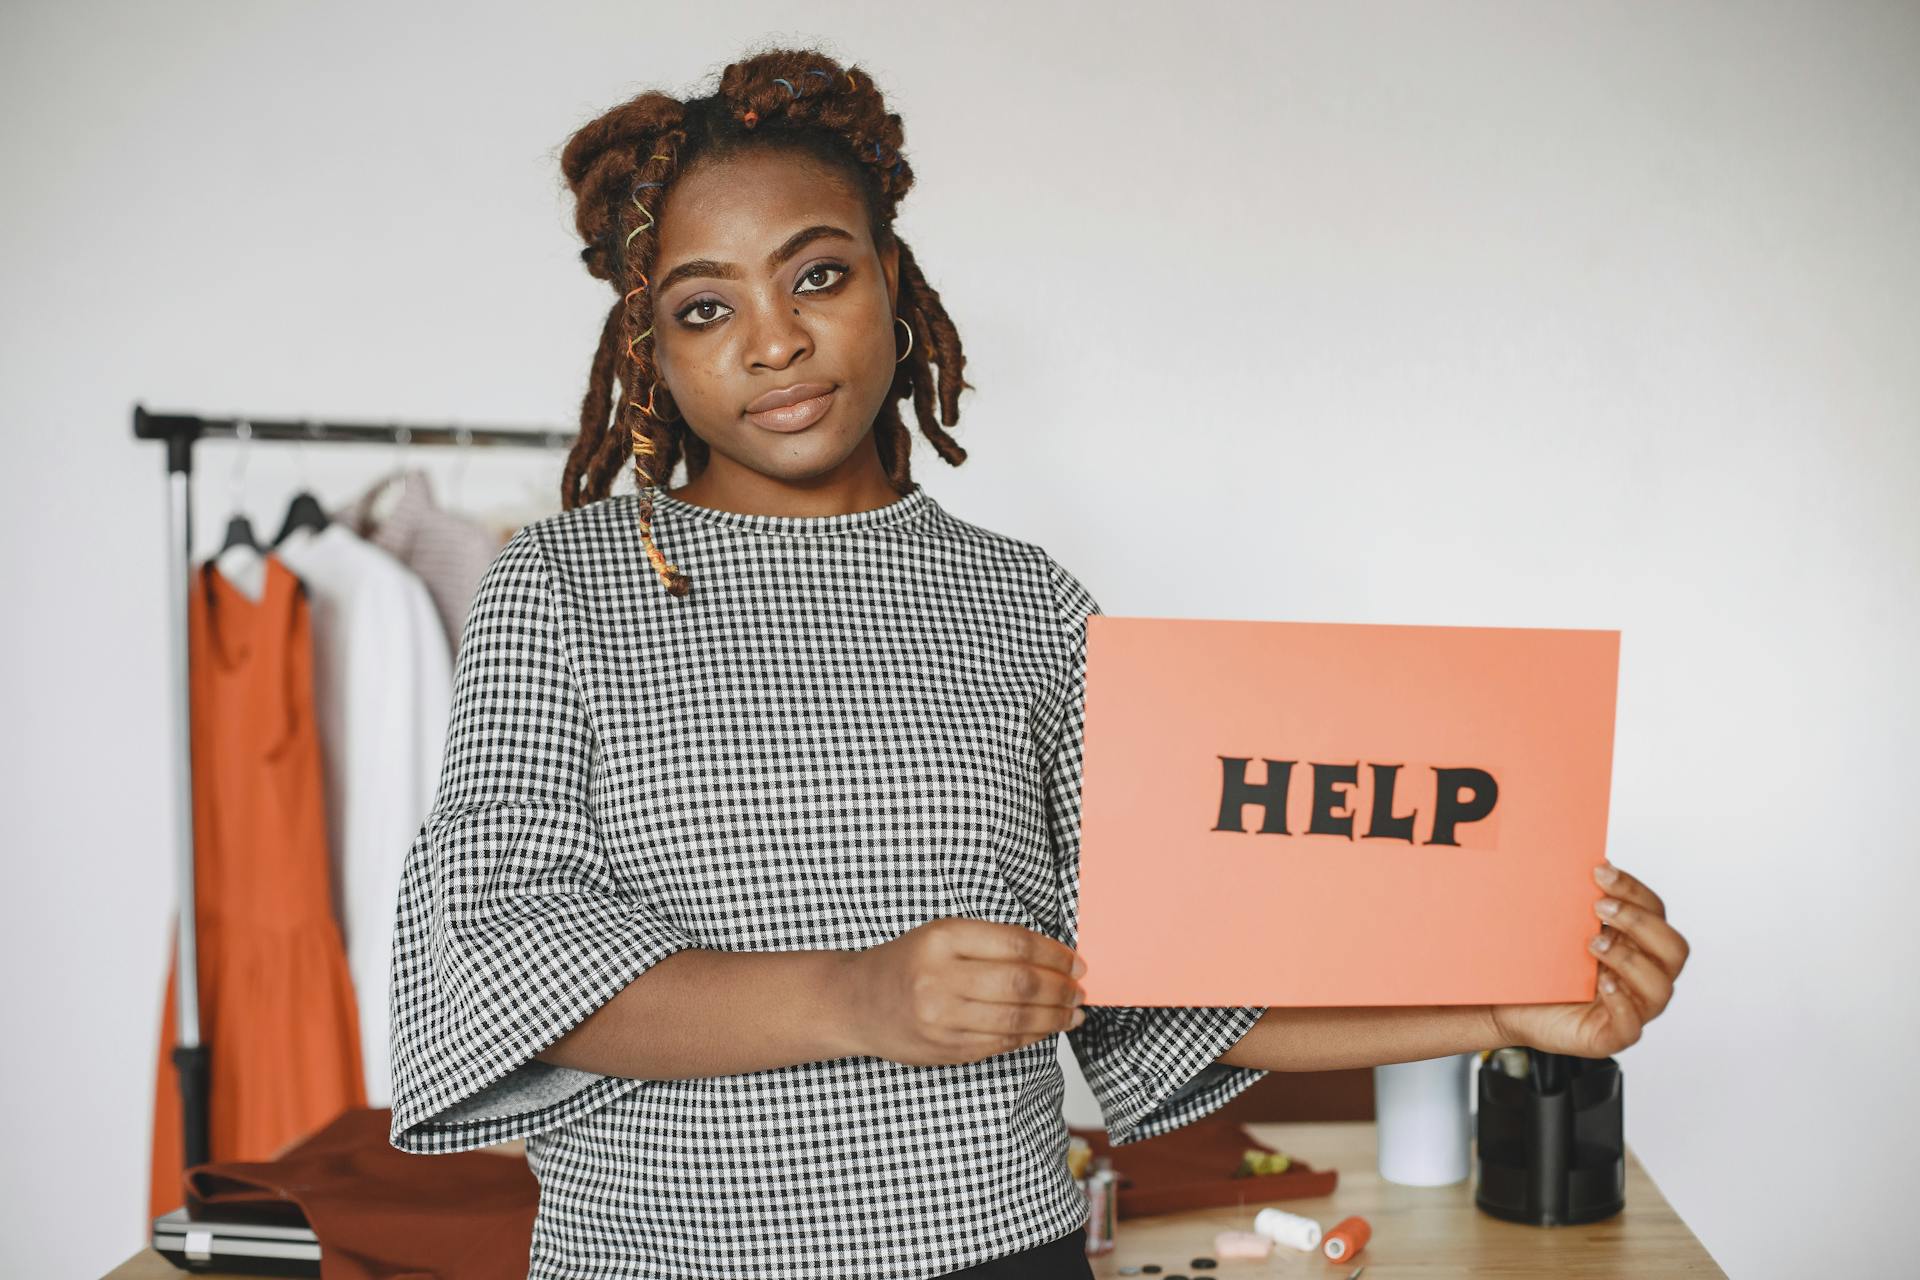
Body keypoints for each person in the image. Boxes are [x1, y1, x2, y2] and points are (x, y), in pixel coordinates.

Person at [384, 45, 1691, 1279]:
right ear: (652, 354)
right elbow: (512, 957)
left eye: (818, 275)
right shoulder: (560, 589)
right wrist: (861, 994)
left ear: (895, 279)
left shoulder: (1029, 606)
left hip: (998, 1250)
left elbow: (1167, 979)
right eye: (705, 306)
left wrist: (1506, 1010)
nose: (772, 340)